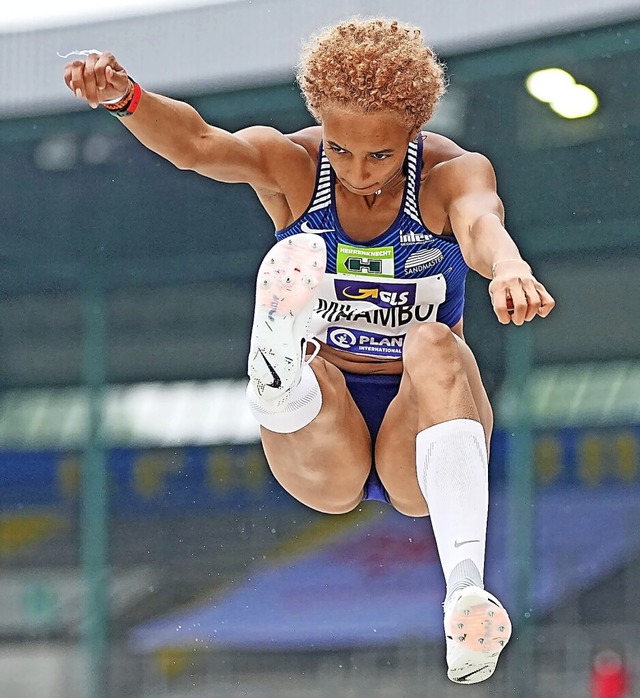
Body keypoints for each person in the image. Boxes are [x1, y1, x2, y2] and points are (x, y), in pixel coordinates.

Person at [64, 17, 555, 684]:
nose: (356, 173)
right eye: (342, 149)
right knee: (313, 359)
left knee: (436, 341)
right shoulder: (294, 166)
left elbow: (479, 223)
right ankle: (277, 370)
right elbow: (201, 145)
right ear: (320, 123)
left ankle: (465, 592)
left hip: (423, 440)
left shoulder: (450, 173)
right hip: (324, 433)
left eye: (380, 155)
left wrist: (511, 269)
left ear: (412, 133)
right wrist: (126, 99)